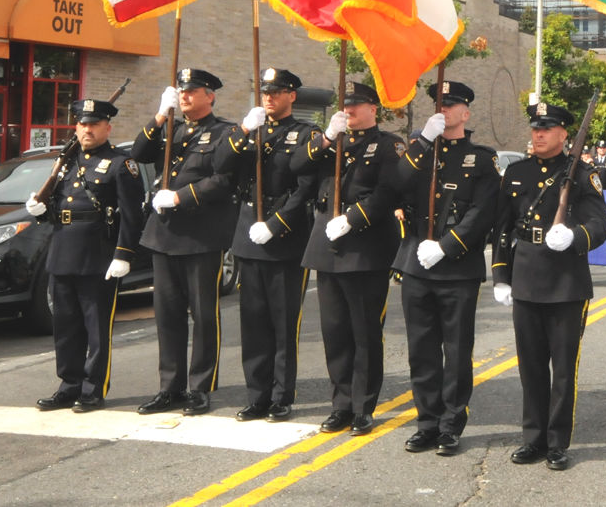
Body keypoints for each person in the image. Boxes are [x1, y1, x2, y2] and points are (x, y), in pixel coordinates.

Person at [492, 101, 606, 471]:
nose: (538, 135)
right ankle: (533, 438)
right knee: (530, 367)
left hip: (565, 284)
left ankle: (557, 442)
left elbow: (600, 226)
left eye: (546, 129)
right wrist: (500, 276)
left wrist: (574, 236)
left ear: (563, 135)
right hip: (525, 279)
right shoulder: (516, 173)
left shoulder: (581, 174)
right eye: (535, 128)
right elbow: (502, 230)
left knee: (562, 368)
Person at [393, 81, 500, 456]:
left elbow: (481, 214)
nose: (443, 110)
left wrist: (446, 247)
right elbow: (394, 186)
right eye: (438, 104)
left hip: (456, 268)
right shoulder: (419, 151)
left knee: (455, 351)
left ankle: (451, 423)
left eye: (450, 105)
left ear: (465, 113)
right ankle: (426, 422)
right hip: (416, 264)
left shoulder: (482, 159)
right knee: (421, 349)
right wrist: (423, 141)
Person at [24, 100, 145, 412]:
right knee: (65, 327)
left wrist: (124, 254)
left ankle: (93, 389)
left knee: (96, 329)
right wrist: (40, 211)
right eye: (82, 124)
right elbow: (60, 208)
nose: (87, 129)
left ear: (107, 127)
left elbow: (132, 216)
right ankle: (69, 385)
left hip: (98, 257)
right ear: (75, 127)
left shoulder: (121, 164)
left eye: (94, 124)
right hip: (63, 252)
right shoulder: (67, 162)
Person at [296, 81, 403, 437]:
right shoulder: (331, 142)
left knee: (364, 332)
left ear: (374, 108)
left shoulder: (387, 146)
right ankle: (340, 404)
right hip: (328, 247)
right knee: (335, 332)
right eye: (345, 105)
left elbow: (388, 193)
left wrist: (353, 219)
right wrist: (327, 137)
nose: (349, 111)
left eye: (356, 105)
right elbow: (297, 166)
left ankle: (363, 406)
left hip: (365, 249)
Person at [132, 69, 238, 417]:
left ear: (210, 95)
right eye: (182, 90)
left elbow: (223, 180)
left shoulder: (224, 133)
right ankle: (170, 387)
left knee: (204, 316)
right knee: (167, 315)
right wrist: (161, 114)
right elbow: (139, 152)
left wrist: (180, 198)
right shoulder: (172, 128)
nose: (185, 95)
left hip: (200, 236)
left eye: (192, 91)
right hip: (164, 235)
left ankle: (201, 387)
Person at [224, 68, 319, 423]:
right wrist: (245, 130)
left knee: (282, 322)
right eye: (265, 92)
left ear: (292, 96)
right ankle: (257, 394)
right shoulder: (251, 131)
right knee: (253, 323)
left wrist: (277, 223)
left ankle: (281, 395)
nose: (269, 97)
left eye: (277, 92)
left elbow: (305, 188)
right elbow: (221, 163)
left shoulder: (305, 134)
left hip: (283, 238)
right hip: (249, 236)